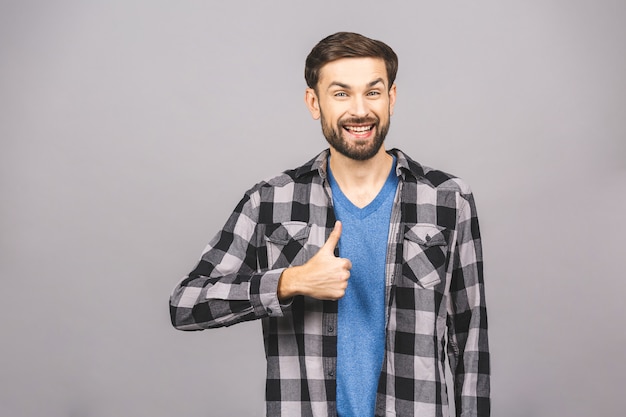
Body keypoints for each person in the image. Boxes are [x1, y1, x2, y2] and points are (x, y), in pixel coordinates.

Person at [169, 32, 490, 417]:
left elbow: (469, 343)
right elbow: (185, 303)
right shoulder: (270, 201)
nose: (360, 110)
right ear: (313, 102)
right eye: (341, 93)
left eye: (372, 92)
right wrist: (291, 282)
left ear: (391, 98)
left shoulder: (447, 199)